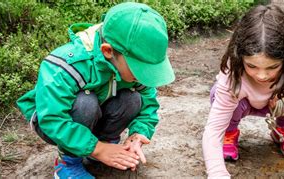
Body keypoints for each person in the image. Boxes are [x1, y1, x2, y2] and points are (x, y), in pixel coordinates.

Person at [16, 2, 175, 178]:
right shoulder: (66, 65)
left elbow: (148, 104)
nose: (144, 76)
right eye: (139, 69)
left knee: (133, 98)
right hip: (51, 121)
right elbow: (52, 118)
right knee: (85, 103)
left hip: (95, 114)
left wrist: (138, 134)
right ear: (108, 51)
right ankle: (67, 162)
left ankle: (102, 148)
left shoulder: (129, 63)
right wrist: (98, 149)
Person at [202, 4, 284, 178]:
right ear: (240, 56)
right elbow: (213, 130)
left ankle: (283, 130)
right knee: (219, 94)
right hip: (241, 103)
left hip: (276, 103)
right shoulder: (232, 71)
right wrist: (217, 173)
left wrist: (282, 92)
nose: (261, 76)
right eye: (252, 66)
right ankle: (230, 132)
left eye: (273, 67)